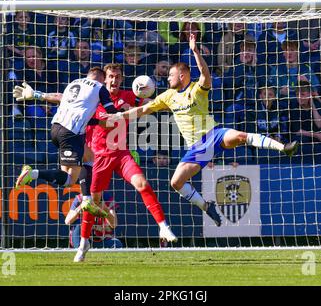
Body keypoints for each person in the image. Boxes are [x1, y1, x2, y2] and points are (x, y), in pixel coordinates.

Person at [106, 34, 299, 227]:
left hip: (213, 135)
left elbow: (205, 75)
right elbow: (143, 109)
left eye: (171, 75)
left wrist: (196, 52)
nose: (168, 78)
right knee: (176, 183)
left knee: (241, 136)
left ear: (182, 75)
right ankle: (207, 206)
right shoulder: (167, 96)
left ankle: (284, 148)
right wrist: (118, 117)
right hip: (198, 148)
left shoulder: (196, 89)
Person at [74, 63, 177, 262]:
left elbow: (148, 103)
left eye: (118, 77)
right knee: (93, 203)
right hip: (100, 157)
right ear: (105, 79)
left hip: (122, 154)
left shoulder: (129, 96)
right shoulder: (94, 99)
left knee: (143, 184)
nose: (114, 80)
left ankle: (163, 227)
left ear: (122, 79)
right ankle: (84, 242)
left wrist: (148, 96)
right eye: (111, 76)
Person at [13, 67, 119, 218]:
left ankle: (86, 199)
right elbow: (112, 113)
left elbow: (59, 97)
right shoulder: (100, 88)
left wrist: (36, 94)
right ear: (102, 79)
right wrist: (124, 114)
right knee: (70, 180)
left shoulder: (74, 83)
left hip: (55, 129)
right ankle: (33, 173)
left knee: (88, 157)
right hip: (71, 133)